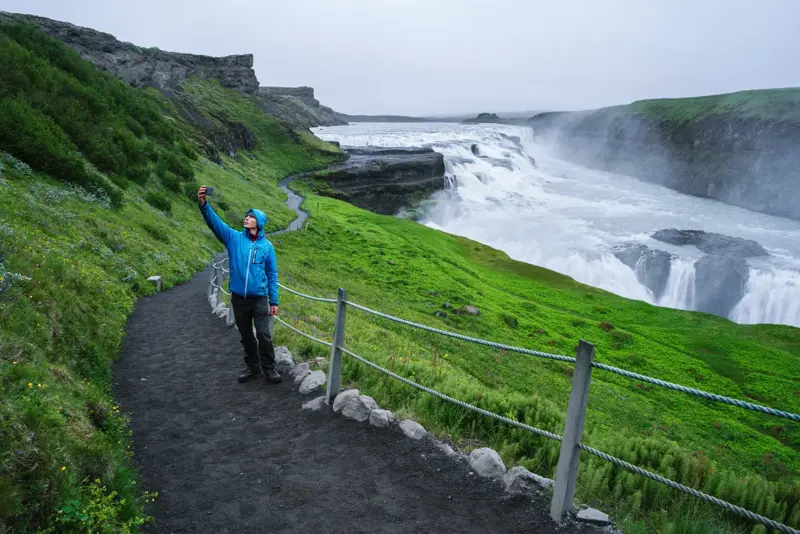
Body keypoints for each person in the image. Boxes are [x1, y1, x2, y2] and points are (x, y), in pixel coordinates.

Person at [197, 185, 282, 384]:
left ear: (259, 222)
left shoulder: (267, 247)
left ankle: (270, 369)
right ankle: (253, 368)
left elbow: (272, 274)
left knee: (263, 334)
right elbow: (215, 224)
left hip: (259, 298)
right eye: (246, 216)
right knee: (246, 336)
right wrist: (204, 205)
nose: (246, 218)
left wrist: (274, 300)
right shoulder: (234, 239)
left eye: (251, 216)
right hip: (238, 298)